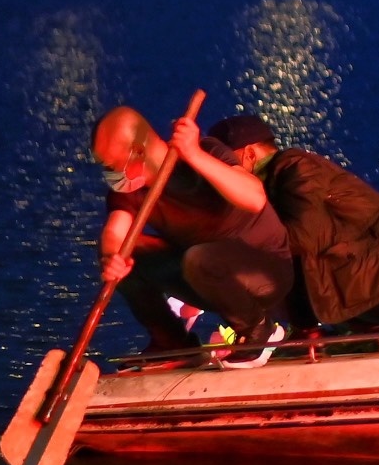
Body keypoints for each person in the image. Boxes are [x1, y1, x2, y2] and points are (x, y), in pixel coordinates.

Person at [90, 104, 292, 365]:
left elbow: (254, 198)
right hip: (202, 275)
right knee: (129, 256)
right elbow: (115, 233)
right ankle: (174, 343)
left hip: (265, 270)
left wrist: (193, 154)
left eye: (112, 165)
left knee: (200, 258)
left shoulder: (206, 150)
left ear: (137, 151)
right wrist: (112, 258)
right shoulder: (129, 191)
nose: (110, 175)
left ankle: (258, 330)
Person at [205, 115, 379, 335]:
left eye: (225, 161)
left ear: (249, 154)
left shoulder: (295, 166)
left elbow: (305, 236)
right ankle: (304, 330)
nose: (221, 171)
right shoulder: (275, 179)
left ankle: (274, 330)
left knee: (234, 258)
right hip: (370, 287)